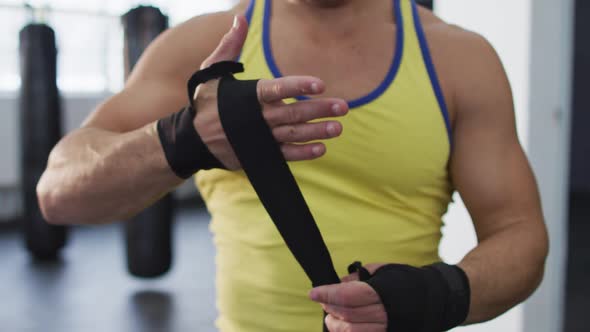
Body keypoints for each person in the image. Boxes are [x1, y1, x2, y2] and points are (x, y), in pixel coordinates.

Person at [37, 0, 549, 331]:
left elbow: (519, 233)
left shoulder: (458, 58)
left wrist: (435, 294)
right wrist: (185, 138)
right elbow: (58, 192)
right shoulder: (199, 49)